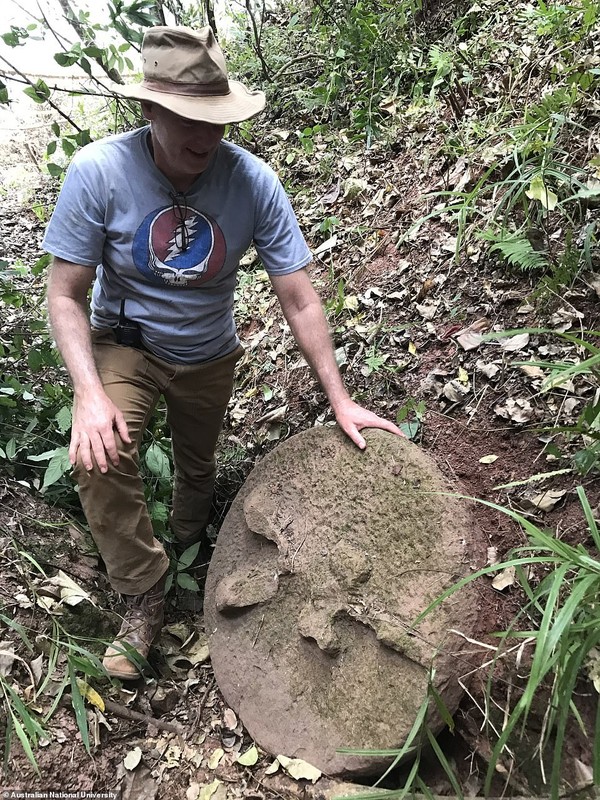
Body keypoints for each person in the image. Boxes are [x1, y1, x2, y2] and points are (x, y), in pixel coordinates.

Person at [44, 25, 403, 680]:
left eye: (217, 119)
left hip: (209, 352)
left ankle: (190, 542)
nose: (206, 137)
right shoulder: (99, 173)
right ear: (149, 109)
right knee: (99, 455)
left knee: (198, 467)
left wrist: (341, 398)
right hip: (127, 342)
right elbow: (65, 294)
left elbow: (299, 298)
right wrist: (89, 393)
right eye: (187, 118)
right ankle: (145, 595)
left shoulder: (251, 182)